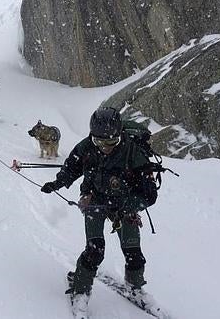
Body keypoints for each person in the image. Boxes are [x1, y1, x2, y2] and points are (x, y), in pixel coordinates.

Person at [40, 107, 158, 307]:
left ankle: (135, 288)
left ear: (119, 135)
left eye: (111, 142)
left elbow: (149, 194)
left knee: (134, 253)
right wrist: (56, 184)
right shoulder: (86, 147)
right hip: (93, 201)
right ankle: (80, 291)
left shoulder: (133, 151)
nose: (105, 147)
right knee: (95, 251)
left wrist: (127, 205)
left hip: (124, 206)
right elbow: (71, 169)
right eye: (99, 142)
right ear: (92, 136)